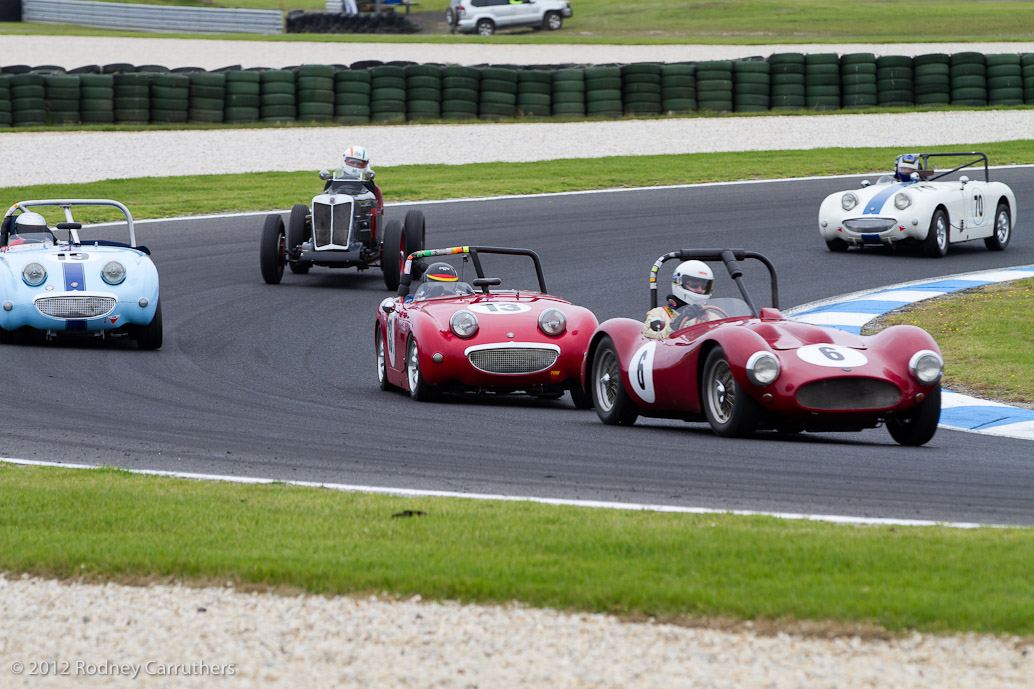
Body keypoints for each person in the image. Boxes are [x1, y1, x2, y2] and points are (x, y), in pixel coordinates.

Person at [644, 260, 721, 339]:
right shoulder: (658, 314)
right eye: (694, 284)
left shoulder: (713, 318)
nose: (700, 290)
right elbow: (650, 338)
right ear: (679, 282)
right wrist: (676, 324)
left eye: (705, 286)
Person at [337, 145, 384, 211]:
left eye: (359, 163)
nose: (355, 165)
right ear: (345, 161)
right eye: (352, 162)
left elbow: (378, 208)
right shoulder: (334, 181)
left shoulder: (370, 185)